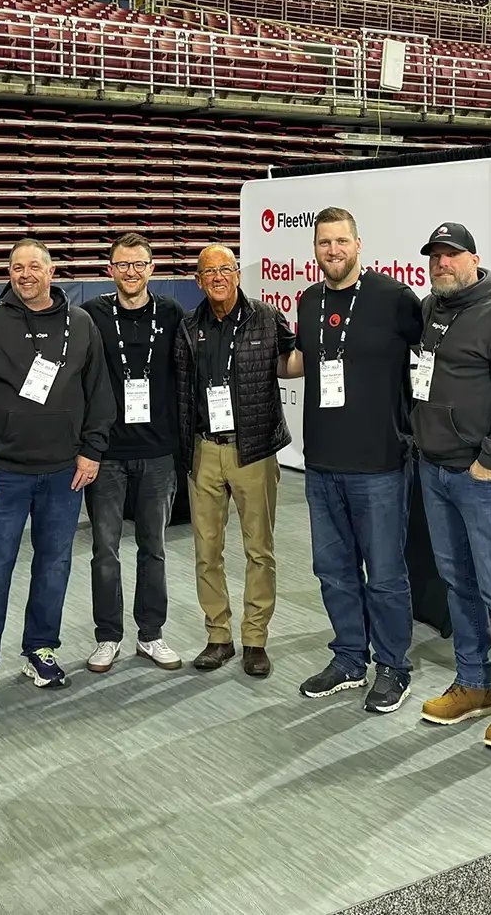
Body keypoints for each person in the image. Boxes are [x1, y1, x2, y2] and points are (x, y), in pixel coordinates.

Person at [0, 238, 114, 704]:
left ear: (51, 270)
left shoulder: (80, 325)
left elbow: (99, 395)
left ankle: (40, 649)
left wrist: (92, 451)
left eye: (34, 266)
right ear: (9, 272)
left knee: (54, 566)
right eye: (17, 266)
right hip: (3, 474)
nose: (26, 274)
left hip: (65, 473)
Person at [410, 221, 491, 752]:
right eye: (434, 256)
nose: (442, 264)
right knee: (457, 583)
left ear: (474, 258)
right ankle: (473, 685)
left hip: (481, 477)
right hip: (434, 470)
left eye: (451, 255)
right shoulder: (429, 312)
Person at [290, 207, 423, 713]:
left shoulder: (393, 299)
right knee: (333, 570)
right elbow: (305, 360)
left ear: (359, 244)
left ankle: (393, 666)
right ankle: (349, 658)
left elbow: (434, 351)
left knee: (385, 574)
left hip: (381, 464)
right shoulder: (308, 301)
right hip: (322, 463)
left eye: (341, 241)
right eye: (324, 243)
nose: (333, 251)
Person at [173, 243, 296, 678]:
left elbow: (293, 360)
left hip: (254, 450)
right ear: (199, 281)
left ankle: (255, 639)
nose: (219, 277)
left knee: (258, 550)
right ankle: (219, 635)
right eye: (210, 272)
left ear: (237, 274)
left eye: (226, 269)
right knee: (207, 549)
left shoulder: (266, 318)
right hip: (204, 450)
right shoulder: (188, 327)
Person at [80, 232, 185, 674]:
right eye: (122, 264)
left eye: (139, 264)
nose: (131, 272)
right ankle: (108, 637)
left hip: (159, 453)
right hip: (106, 455)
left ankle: (151, 634)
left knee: (153, 548)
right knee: (105, 550)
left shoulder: (173, 313)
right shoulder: (90, 316)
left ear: (151, 268)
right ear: (110, 270)